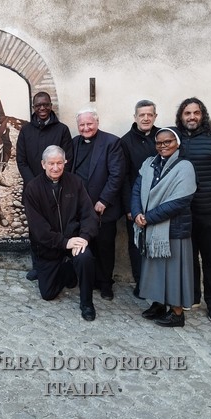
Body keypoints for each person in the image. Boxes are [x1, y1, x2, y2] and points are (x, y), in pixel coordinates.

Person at [23, 145, 99, 321]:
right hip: (49, 246)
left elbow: (89, 214)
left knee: (85, 257)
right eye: (51, 163)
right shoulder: (33, 188)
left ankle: (87, 303)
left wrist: (84, 237)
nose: (55, 167)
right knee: (48, 294)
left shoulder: (75, 182)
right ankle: (65, 269)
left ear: (65, 162)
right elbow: (38, 229)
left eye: (59, 163)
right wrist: (64, 242)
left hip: (75, 241)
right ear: (43, 164)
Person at [131, 127, 197, 327]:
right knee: (156, 270)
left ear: (177, 143)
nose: (162, 146)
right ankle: (159, 304)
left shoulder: (185, 167)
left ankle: (177, 314)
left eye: (167, 142)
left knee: (175, 272)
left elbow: (179, 201)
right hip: (151, 228)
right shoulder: (149, 164)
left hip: (174, 229)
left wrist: (148, 217)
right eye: (159, 142)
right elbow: (136, 189)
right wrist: (136, 213)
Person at [16, 91, 73, 281]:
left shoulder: (62, 130)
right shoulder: (26, 130)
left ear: (51, 106)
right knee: (36, 230)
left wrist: (53, 182)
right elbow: (21, 160)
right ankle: (38, 267)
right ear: (34, 107)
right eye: (38, 105)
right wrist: (35, 185)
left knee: (58, 229)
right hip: (33, 190)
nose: (42, 108)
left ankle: (59, 268)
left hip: (58, 189)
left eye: (45, 105)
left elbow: (68, 159)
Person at [71, 106, 125, 300]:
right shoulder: (75, 142)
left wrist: (104, 200)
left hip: (103, 208)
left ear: (97, 122)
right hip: (82, 208)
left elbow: (117, 175)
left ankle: (106, 284)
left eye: (89, 123)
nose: (86, 128)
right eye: (82, 124)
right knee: (88, 245)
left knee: (105, 247)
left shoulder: (111, 142)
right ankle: (91, 281)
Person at [176, 98, 211, 323]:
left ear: (202, 115)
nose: (191, 117)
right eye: (187, 113)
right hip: (185, 211)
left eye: (196, 113)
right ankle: (192, 296)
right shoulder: (176, 140)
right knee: (189, 257)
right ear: (181, 116)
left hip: (210, 211)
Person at [120, 100, 159, 297]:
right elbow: (124, 176)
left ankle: (158, 284)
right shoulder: (125, 141)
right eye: (141, 115)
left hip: (160, 202)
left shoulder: (163, 138)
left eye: (149, 115)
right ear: (135, 117)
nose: (145, 118)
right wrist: (129, 208)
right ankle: (141, 283)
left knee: (158, 244)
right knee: (137, 245)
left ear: (155, 117)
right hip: (137, 203)